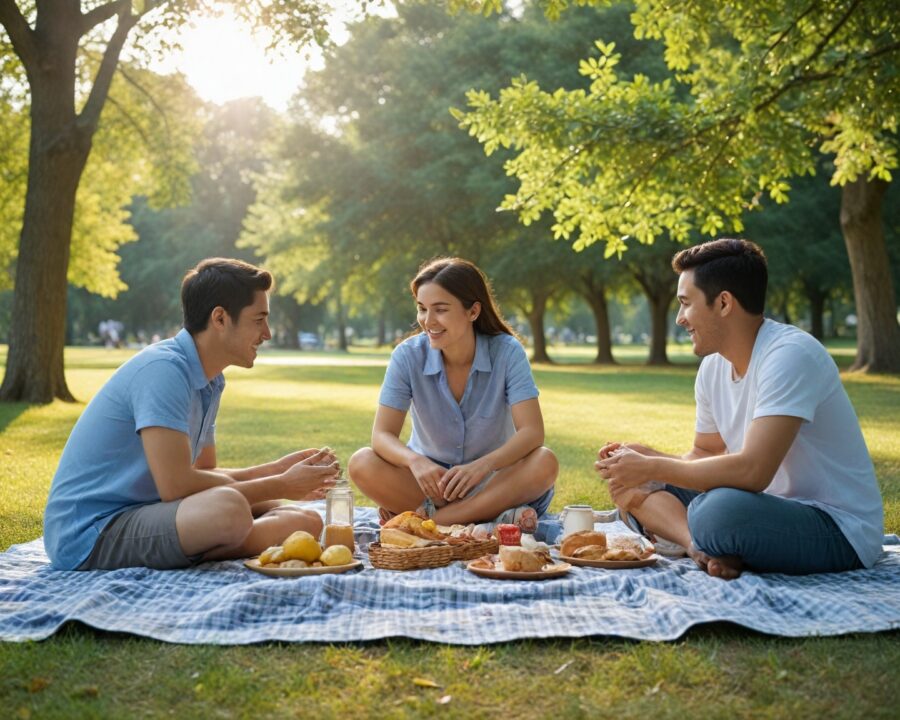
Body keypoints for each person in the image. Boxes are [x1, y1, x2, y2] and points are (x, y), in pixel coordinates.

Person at [595, 238, 884, 579]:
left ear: (723, 303)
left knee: (716, 513)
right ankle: (698, 547)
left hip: (835, 527)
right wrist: (643, 463)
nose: (680, 319)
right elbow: (704, 453)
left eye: (686, 304)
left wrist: (654, 466)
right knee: (629, 478)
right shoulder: (713, 367)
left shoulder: (790, 355)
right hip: (761, 506)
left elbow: (753, 471)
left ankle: (712, 536)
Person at [44, 258, 340, 571]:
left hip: (149, 511)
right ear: (220, 318)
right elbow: (176, 486)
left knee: (305, 521)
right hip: (91, 533)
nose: (266, 333)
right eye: (258, 319)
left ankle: (207, 542)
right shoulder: (164, 371)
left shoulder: (210, 380)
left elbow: (204, 474)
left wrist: (275, 470)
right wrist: (280, 484)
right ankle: (211, 543)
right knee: (230, 509)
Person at [349, 257, 558, 532]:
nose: (427, 321)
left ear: (473, 311)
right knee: (361, 462)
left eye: (440, 310)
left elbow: (532, 432)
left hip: (496, 482)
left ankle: (436, 522)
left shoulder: (507, 352)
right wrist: (416, 462)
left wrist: (484, 466)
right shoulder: (407, 356)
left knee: (545, 462)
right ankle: (496, 518)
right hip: (431, 487)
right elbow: (381, 435)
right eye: (422, 309)